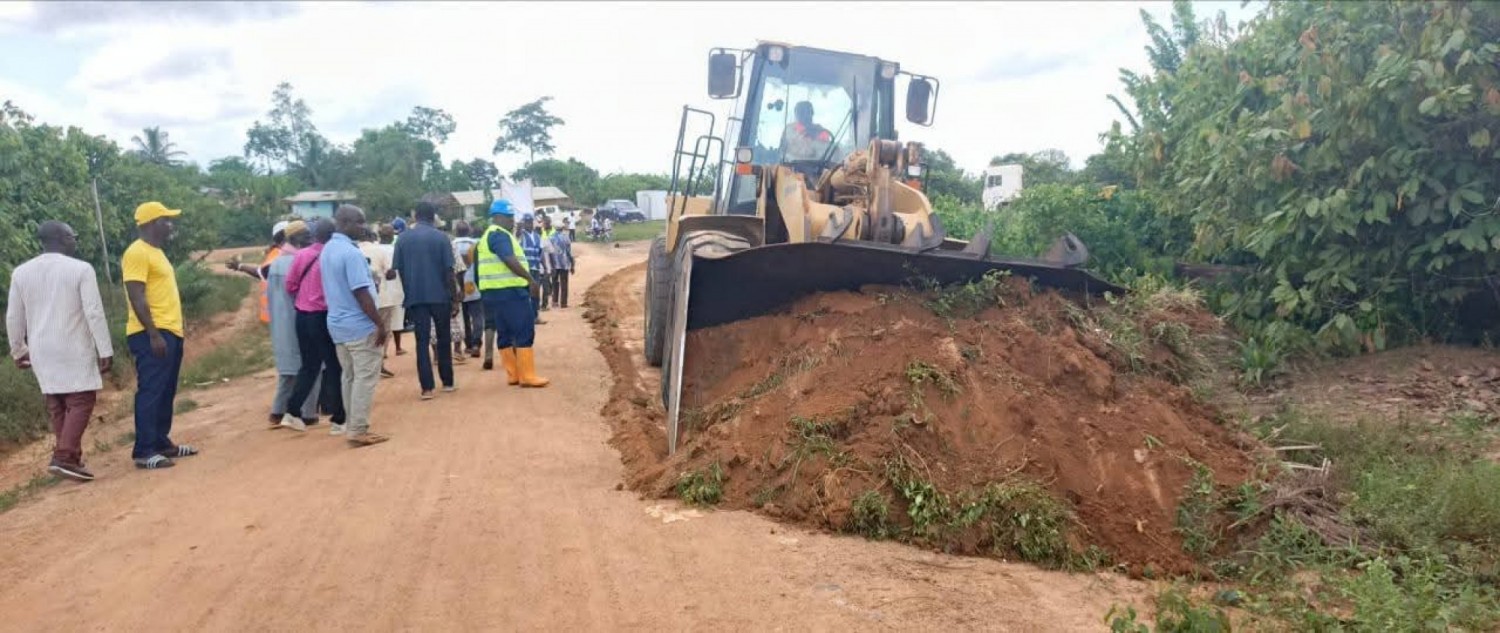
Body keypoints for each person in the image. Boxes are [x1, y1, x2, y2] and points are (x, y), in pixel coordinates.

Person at [5, 221, 113, 481]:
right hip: (72, 344)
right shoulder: (80, 269)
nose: (75, 241)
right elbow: (94, 313)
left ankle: (70, 459)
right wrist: (104, 348)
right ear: (64, 238)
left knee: (57, 403)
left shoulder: (21, 272)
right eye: (73, 236)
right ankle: (64, 455)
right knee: (81, 400)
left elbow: (13, 316)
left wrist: (18, 349)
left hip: (41, 348)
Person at [122, 201, 198, 470]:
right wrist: (153, 334)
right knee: (152, 391)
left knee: (166, 390)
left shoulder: (156, 252)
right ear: (153, 223)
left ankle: (161, 442)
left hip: (169, 331)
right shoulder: (137, 253)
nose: (171, 225)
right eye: (167, 220)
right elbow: (136, 294)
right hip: (150, 333)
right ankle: (144, 451)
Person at [322, 205, 389, 447]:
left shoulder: (329, 249)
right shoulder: (351, 254)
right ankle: (358, 430)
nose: (364, 227)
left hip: (338, 325)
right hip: (360, 326)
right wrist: (379, 325)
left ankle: (353, 425)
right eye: (360, 222)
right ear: (346, 222)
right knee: (364, 378)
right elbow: (361, 292)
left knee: (349, 377)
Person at [282, 219, 346, 433]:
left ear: (314, 235)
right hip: (323, 315)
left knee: (309, 366)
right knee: (335, 366)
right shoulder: (332, 256)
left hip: (302, 315)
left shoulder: (301, 255)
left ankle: (292, 410)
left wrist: (304, 298)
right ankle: (339, 418)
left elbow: (290, 285)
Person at [476, 199, 548, 387]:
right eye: (509, 217)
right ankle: (527, 376)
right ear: (498, 217)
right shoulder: (500, 235)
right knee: (524, 329)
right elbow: (509, 259)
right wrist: (529, 279)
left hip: (494, 293)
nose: (512, 221)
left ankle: (513, 374)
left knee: (505, 332)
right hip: (510, 291)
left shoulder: (487, 236)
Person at [392, 201, 460, 399]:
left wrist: (409, 293)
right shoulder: (441, 238)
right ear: (433, 217)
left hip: (416, 297)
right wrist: (454, 298)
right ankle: (447, 382)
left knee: (421, 341)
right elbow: (449, 271)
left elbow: (400, 271)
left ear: (415, 216)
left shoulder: (403, 239)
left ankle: (426, 388)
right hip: (440, 296)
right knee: (443, 337)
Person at [264, 221, 322, 429]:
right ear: (295, 239)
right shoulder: (299, 262)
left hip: (280, 322)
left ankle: (277, 411)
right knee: (311, 365)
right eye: (306, 236)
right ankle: (308, 413)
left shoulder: (276, 263)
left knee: (288, 370)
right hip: (299, 320)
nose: (311, 240)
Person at [226, 220, 287, 325]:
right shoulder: (280, 255)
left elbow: (261, 272)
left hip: (279, 311)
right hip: (282, 312)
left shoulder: (277, 253)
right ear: (286, 236)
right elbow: (262, 273)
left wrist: (240, 266)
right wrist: (240, 266)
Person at [358, 224, 397, 378]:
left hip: (359, 299)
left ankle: (364, 364)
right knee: (384, 331)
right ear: (372, 237)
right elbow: (390, 273)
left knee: (364, 332)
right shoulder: (379, 250)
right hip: (382, 298)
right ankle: (379, 364)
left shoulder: (353, 250)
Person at [451, 221, 484, 358]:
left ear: (456, 232)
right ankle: (476, 343)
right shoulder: (476, 244)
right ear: (469, 231)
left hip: (457, 286)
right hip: (474, 284)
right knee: (477, 316)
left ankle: (468, 344)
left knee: (462, 317)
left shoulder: (452, 245)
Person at [518, 213, 549, 324]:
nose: (528, 224)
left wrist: (545, 267)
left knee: (535, 293)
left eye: (530, 221)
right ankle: (525, 317)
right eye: (526, 222)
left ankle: (535, 316)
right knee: (525, 293)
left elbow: (541, 254)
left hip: (535, 268)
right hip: (524, 270)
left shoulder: (537, 236)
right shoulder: (521, 236)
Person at [546, 216, 575, 309]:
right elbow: (569, 252)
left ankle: (554, 301)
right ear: (562, 228)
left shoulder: (550, 238)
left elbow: (548, 252)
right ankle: (563, 303)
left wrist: (549, 265)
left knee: (555, 282)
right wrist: (572, 265)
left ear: (554, 228)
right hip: (564, 263)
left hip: (554, 264)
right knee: (564, 283)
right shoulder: (566, 238)